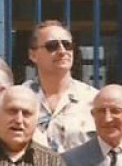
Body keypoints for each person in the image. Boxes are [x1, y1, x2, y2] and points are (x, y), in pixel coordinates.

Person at [23, 19, 97, 153]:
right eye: (52, 46)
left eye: (67, 45)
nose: (62, 51)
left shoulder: (94, 99)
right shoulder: (19, 99)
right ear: (33, 55)